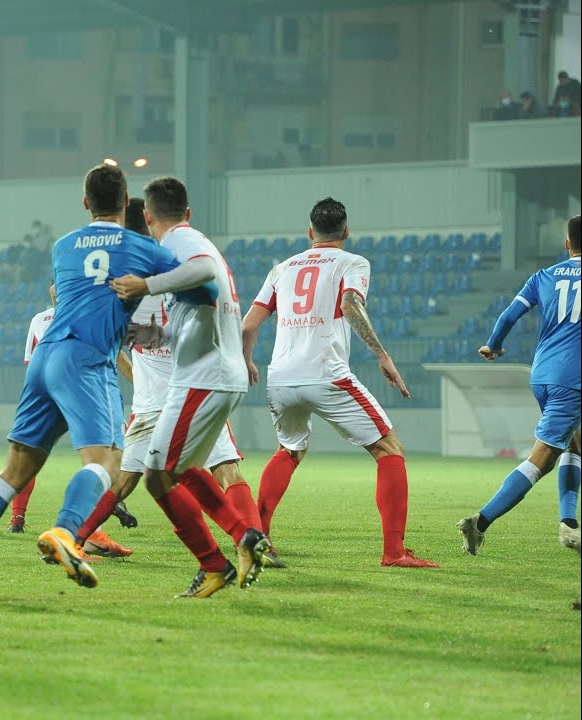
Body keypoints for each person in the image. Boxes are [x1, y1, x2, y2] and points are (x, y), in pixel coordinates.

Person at [0, 163, 215, 599]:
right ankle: (66, 532)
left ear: (85, 203)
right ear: (128, 204)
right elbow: (196, 274)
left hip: (45, 355)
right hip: (87, 359)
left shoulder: (63, 246)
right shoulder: (139, 246)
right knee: (106, 461)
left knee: (15, 469)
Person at [240, 197, 437, 569]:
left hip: (280, 377)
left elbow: (249, 324)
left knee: (289, 451)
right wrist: (382, 354)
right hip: (325, 374)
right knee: (389, 449)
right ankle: (394, 552)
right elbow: (349, 305)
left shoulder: (282, 269)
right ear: (346, 231)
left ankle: (259, 537)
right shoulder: (352, 262)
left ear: (309, 232)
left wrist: (247, 359)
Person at [112, 177, 273, 598]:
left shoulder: (180, 243)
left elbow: (202, 273)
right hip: (212, 372)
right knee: (181, 472)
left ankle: (214, 563)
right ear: (189, 209)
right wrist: (140, 336)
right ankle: (245, 536)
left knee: (157, 477)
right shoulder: (192, 239)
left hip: (204, 378)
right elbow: (193, 311)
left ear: (147, 217)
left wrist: (145, 285)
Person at [458, 215, 581, 556]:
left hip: (542, 374)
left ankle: (570, 525)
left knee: (574, 446)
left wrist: (493, 344)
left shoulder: (544, 276)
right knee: (542, 459)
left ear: (567, 244)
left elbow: (509, 314)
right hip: (573, 381)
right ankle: (479, 522)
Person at [6, 281, 136, 562]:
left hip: (54, 393)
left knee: (32, 455)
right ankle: (87, 531)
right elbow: (115, 354)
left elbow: (34, 363)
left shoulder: (44, 319)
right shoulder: (83, 314)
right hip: (84, 395)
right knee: (105, 460)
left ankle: (84, 528)